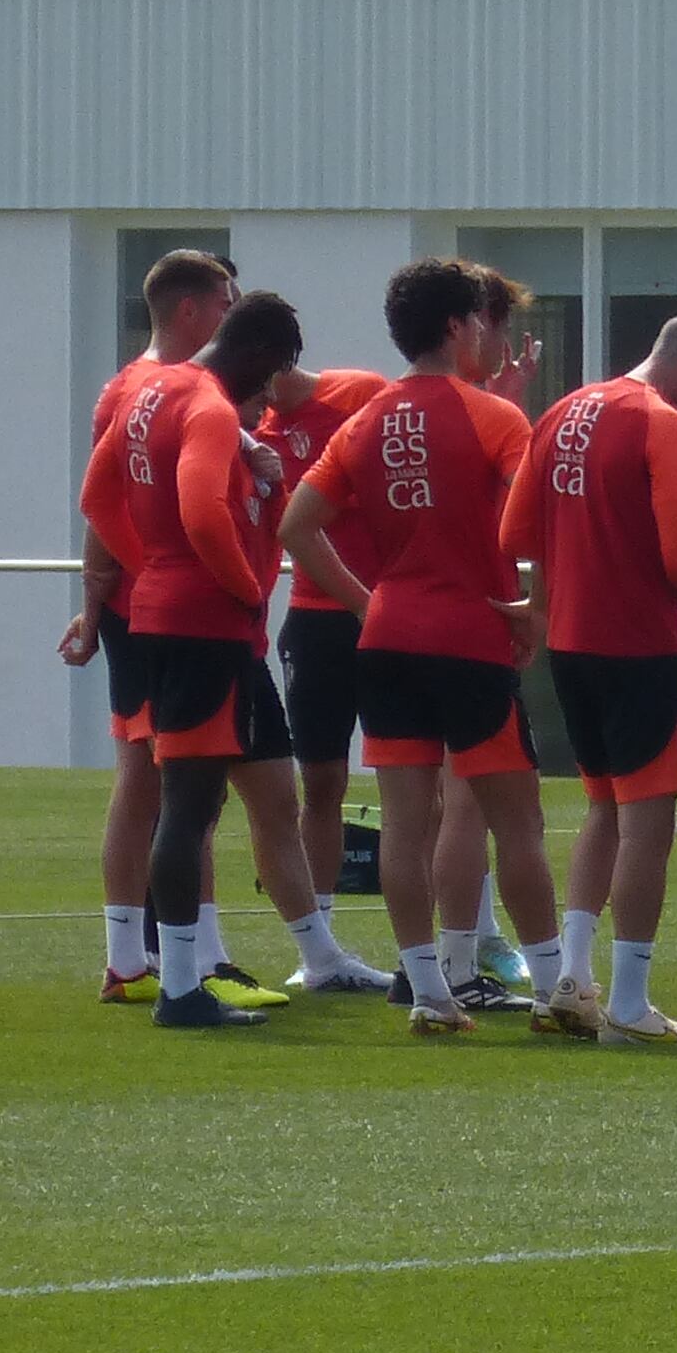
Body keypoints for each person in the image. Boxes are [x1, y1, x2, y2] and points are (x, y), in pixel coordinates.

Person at [283, 259, 566, 1037]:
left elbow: (295, 527)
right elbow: (536, 522)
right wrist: (534, 609)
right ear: (457, 326)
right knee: (516, 820)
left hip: (389, 641)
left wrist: (368, 603)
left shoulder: (363, 419)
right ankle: (554, 990)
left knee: (408, 822)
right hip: (469, 637)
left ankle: (430, 993)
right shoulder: (494, 419)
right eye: (480, 319)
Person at [77, 291, 329, 1028]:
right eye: (274, 372)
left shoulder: (153, 387)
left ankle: (175, 975)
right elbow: (200, 509)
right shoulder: (212, 407)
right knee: (190, 807)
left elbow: (97, 494)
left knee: (181, 801)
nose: (268, 392)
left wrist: (147, 564)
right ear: (263, 356)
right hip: (203, 624)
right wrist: (244, 588)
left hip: (157, 613)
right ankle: (184, 988)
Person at [502, 312, 677, 1049]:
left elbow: (514, 534)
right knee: (647, 823)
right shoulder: (661, 421)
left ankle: (571, 983)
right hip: (636, 641)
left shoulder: (565, 409)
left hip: (570, 643)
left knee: (603, 812)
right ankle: (629, 1006)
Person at [59, 246, 229, 1000]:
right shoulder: (143, 389)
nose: (230, 315)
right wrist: (104, 601)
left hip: (147, 604)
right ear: (190, 309)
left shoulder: (140, 385)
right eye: (224, 302)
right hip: (170, 608)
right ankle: (144, 954)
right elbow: (105, 504)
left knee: (183, 783)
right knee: (168, 780)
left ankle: (161, 951)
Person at [259, 346, 398, 994]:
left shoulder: (360, 393)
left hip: (387, 610)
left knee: (417, 781)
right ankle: (321, 947)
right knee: (320, 781)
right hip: (316, 621)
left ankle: (449, 944)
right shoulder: (255, 430)